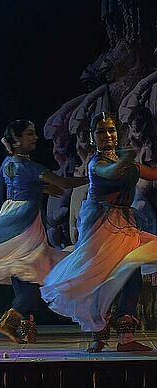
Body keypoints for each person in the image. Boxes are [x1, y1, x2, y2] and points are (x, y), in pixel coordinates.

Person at [0, 119, 87, 343]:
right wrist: (91, 178)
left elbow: (20, 185)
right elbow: (65, 183)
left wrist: (43, 188)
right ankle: (9, 321)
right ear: (17, 141)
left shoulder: (9, 162)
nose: (35, 137)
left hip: (10, 213)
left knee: (22, 271)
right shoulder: (31, 167)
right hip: (24, 222)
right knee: (31, 271)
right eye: (29, 134)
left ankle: (24, 326)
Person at [41, 112, 157, 352]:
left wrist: (128, 161)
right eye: (101, 132)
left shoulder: (125, 161)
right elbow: (112, 173)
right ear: (93, 138)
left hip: (125, 225)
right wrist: (126, 160)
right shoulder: (97, 164)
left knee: (131, 275)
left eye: (111, 130)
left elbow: (151, 174)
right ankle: (98, 335)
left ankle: (126, 340)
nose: (108, 135)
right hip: (101, 227)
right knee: (100, 280)